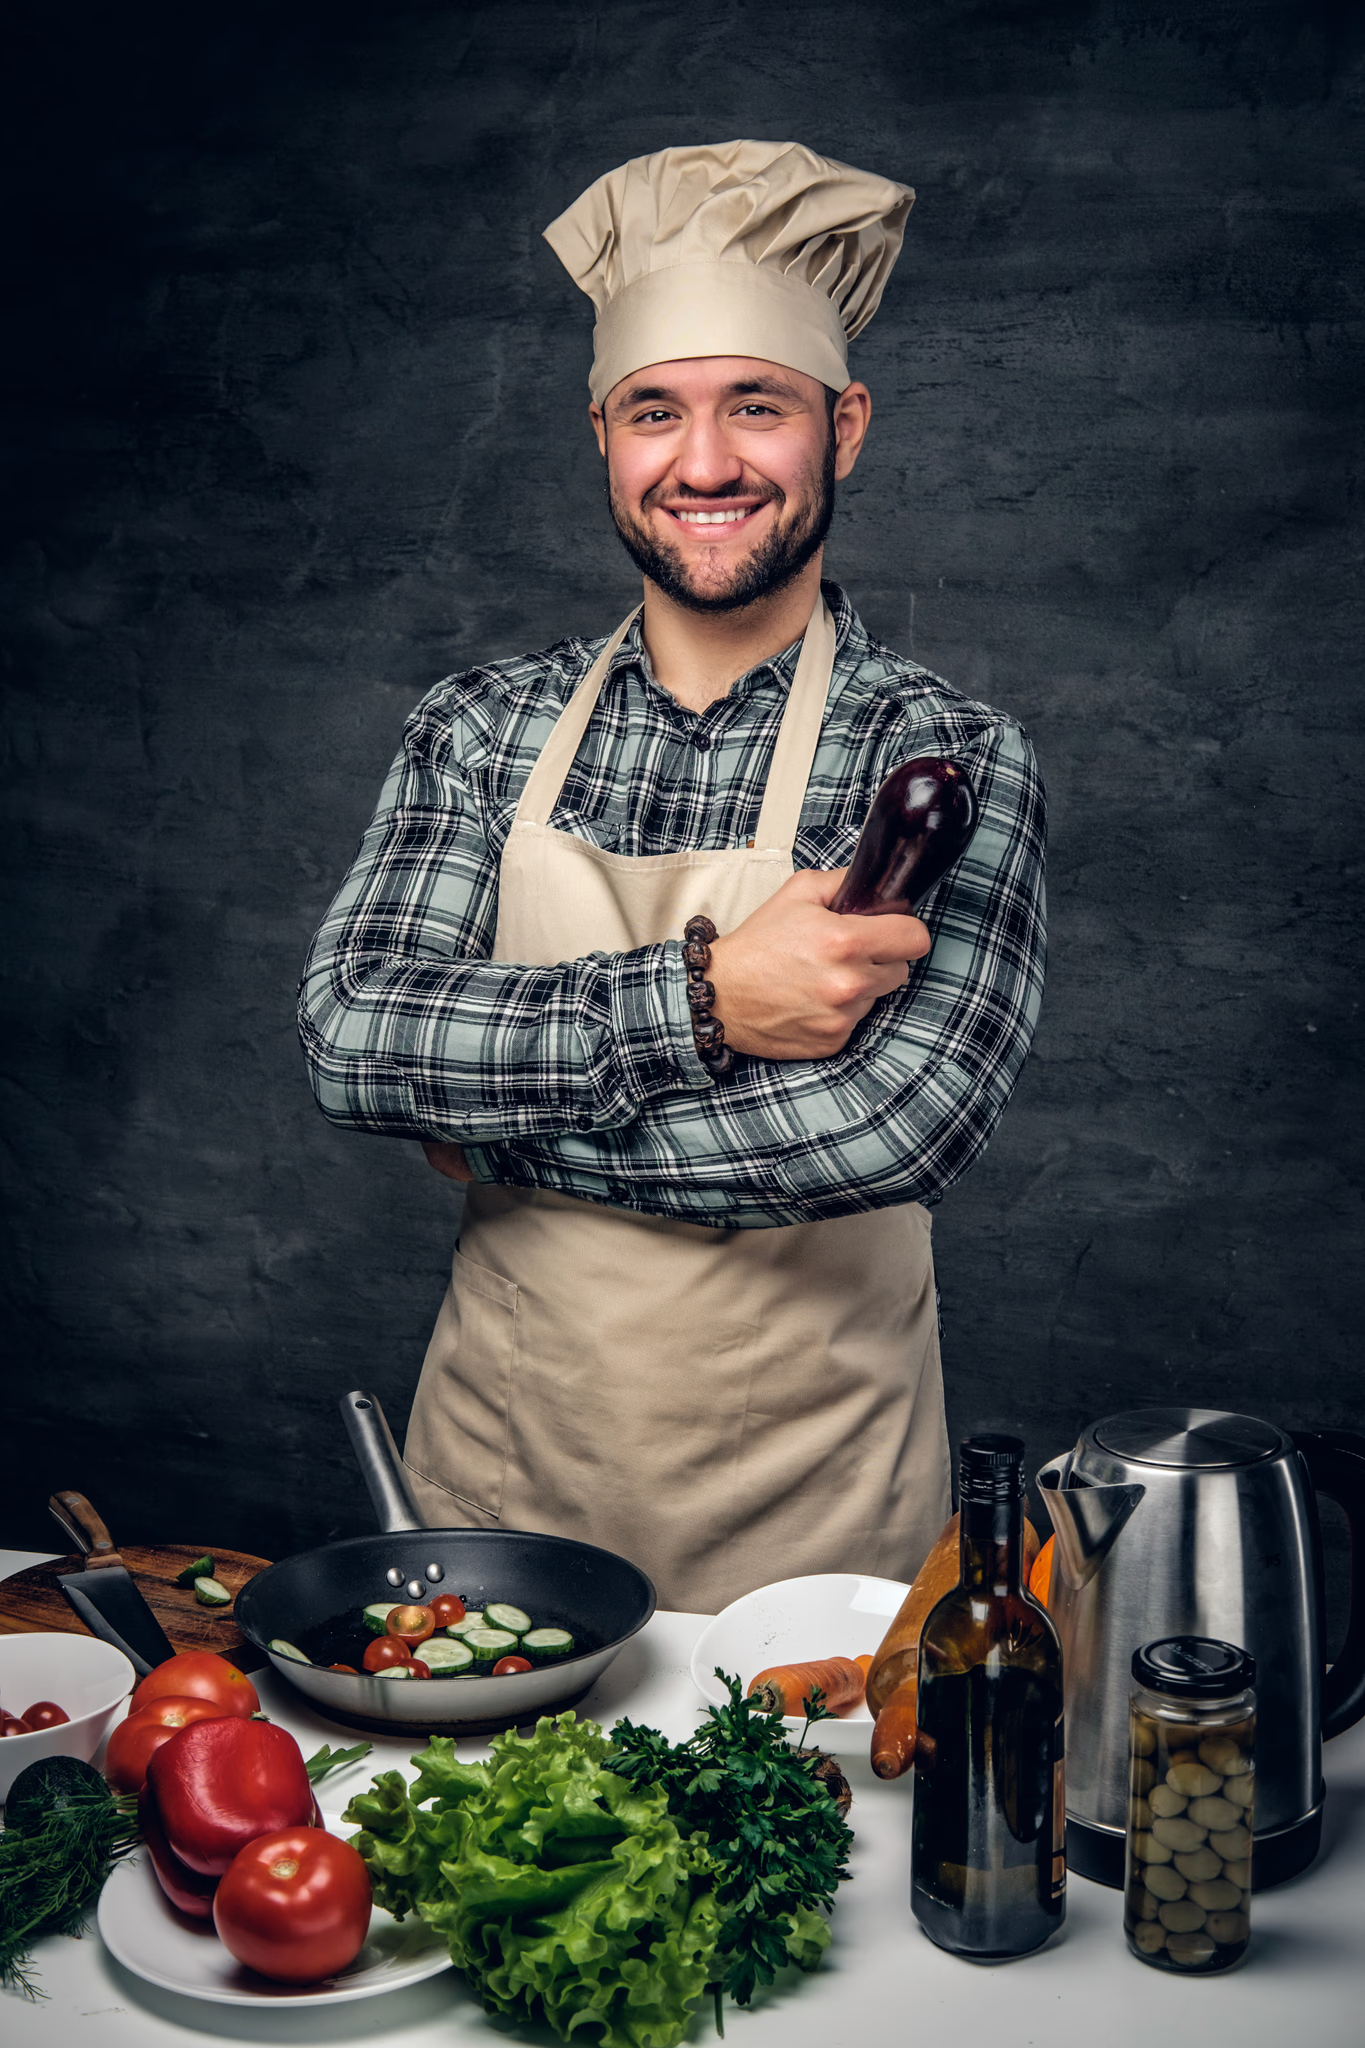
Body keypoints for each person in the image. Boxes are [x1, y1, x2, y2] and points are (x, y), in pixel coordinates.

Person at [299, 141, 1046, 1613]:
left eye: (755, 407)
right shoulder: (478, 729)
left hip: (819, 1524)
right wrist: (705, 1002)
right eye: (658, 411)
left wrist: (500, 1132)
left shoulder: (946, 753)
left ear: (845, 425)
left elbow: (888, 1129)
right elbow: (355, 1035)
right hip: (503, 1497)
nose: (704, 465)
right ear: (600, 434)